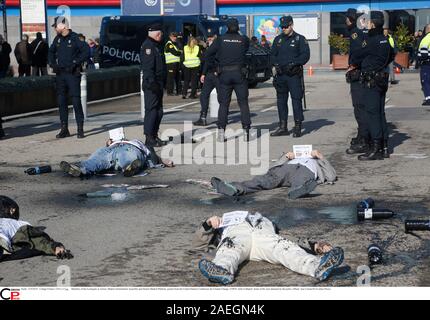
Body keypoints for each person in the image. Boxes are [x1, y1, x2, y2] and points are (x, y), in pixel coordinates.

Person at [193, 211, 345, 285]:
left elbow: (288, 238)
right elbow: (198, 243)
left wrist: (315, 245)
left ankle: (317, 266)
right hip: (237, 235)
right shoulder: (223, 222)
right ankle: (221, 270)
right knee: (229, 249)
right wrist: (208, 224)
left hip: (263, 235)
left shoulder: (265, 220)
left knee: (284, 247)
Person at [210, 149, 336, 199]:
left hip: (306, 171)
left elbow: (331, 176)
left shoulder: (317, 162)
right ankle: (233, 188)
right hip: (287, 167)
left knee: (300, 180)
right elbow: (274, 166)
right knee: (264, 180)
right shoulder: (291, 158)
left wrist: (320, 156)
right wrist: (286, 156)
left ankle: (297, 190)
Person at [203, 18, 252, 142]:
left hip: (224, 74)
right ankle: (246, 132)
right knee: (243, 103)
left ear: (227, 27)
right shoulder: (243, 39)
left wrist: (215, 66)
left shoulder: (220, 39)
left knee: (224, 104)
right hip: (239, 73)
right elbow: (246, 49)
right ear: (238, 27)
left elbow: (208, 54)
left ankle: (221, 133)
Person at [354, 11, 394, 161]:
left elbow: (357, 56)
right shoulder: (385, 39)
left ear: (372, 24)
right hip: (382, 79)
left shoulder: (371, 40)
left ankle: (376, 148)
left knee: (372, 114)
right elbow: (392, 55)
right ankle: (384, 147)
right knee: (380, 113)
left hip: (371, 80)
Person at [48, 16, 90, 139]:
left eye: (56, 26)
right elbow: (51, 52)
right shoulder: (58, 39)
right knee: (61, 101)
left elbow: (86, 51)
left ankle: (80, 128)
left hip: (72, 74)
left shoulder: (75, 38)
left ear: (63, 26)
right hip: (60, 74)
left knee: (76, 101)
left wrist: (76, 62)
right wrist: (52, 63)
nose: (55, 29)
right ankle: (64, 128)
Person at [270, 16, 310, 138]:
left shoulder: (300, 39)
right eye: (282, 27)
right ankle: (283, 127)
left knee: (296, 100)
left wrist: (295, 63)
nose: (284, 29)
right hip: (281, 75)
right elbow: (272, 55)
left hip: (293, 75)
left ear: (291, 25)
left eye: (286, 26)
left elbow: (305, 55)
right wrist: (275, 64)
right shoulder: (278, 40)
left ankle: (297, 126)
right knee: (281, 101)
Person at [0, 196, 73, 262]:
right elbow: (39, 239)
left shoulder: (12, 223)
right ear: (12, 210)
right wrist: (55, 247)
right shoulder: (17, 223)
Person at [60, 138, 174, 178]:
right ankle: (79, 169)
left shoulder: (136, 142)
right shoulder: (118, 141)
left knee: (127, 156)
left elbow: (153, 155)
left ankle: (129, 167)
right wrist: (108, 143)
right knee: (96, 161)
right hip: (110, 149)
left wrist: (163, 161)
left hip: (128, 148)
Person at [345, 9, 370, 155]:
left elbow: (359, 54)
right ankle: (362, 136)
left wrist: (353, 65)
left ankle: (364, 140)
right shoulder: (364, 32)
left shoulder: (355, 34)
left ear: (351, 19)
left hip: (359, 75)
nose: (345, 22)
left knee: (360, 109)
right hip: (363, 74)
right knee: (361, 108)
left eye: (347, 19)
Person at [141, 23, 168, 148]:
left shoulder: (156, 46)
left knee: (159, 111)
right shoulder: (148, 46)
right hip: (152, 84)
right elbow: (148, 68)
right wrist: (152, 83)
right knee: (152, 111)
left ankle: (154, 135)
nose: (162, 36)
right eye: (161, 34)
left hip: (158, 83)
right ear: (158, 34)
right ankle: (149, 137)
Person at [194, 33, 219, 126]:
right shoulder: (208, 48)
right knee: (204, 95)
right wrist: (203, 74)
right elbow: (206, 62)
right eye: (207, 39)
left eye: (210, 38)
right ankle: (203, 117)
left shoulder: (219, 47)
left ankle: (222, 117)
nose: (208, 40)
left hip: (218, 74)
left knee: (221, 97)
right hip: (209, 74)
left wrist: (218, 70)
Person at [164, 32, 182, 96]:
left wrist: (179, 52)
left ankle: (179, 91)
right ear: (170, 37)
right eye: (173, 36)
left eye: (175, 36)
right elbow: (175, 52)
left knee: (178, 78)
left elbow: (179, 51)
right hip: (170, 64)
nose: (175, 38)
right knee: (170, 78)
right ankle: (170, 92)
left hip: (176, 63)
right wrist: (180, 52)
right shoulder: (169, 44)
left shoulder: (175, 44)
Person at [418, 24, 430, 106]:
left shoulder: (426, 38)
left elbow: (424, 53)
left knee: (425, 81)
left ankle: (428, 98)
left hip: (426, 64)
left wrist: (420, 60)